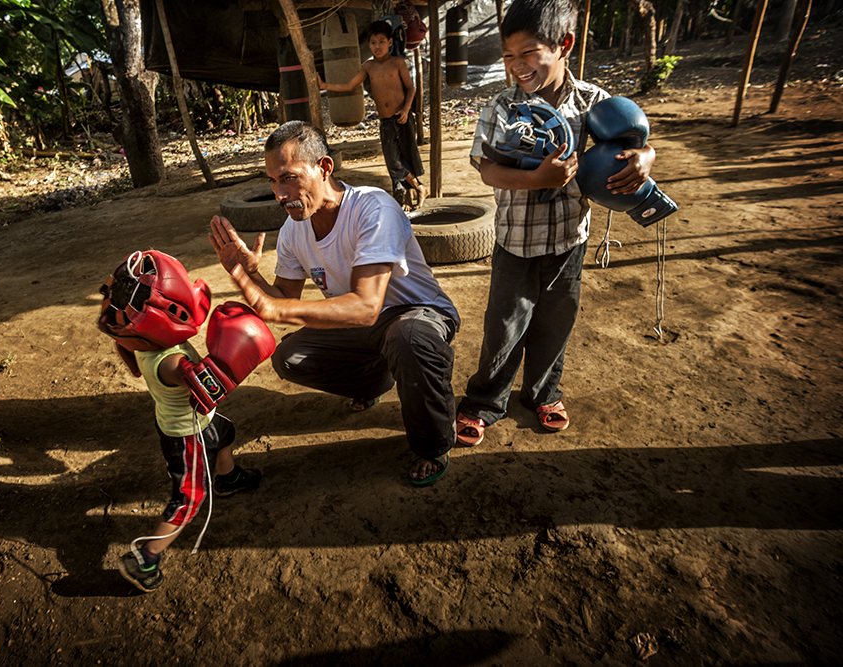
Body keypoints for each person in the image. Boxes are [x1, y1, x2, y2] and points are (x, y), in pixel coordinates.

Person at [208, 121, 459, 486]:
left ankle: (433, 443)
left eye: (289, 178)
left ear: (324, 168)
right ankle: (374, 380)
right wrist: (247, 275)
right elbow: (283, 298)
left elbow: (366, 306)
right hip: (363, 325)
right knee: (289, 357)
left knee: (409, 340)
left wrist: (275, 309)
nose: (280, 193)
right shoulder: (295, 229)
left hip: (417, 315)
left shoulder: (374, 208)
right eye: (273, 181)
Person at [455, 0, 657, 445]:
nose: (516, 66)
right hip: (515, 244)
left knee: (554, 324)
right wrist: (536, 178)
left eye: (527, 53)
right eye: (508, 56)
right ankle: (485, 400)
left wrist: (645, 157)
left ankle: (543, 392)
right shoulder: (502, 107)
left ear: (563, 45)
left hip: (570, 240)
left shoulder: (594, 104)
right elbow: (486, 169)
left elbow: (637, 140)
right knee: (504, 326)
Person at [96, 250, 262, 592]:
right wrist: (240, 344)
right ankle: (147, 556)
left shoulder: (138, 341)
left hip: (193, 424)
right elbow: (211, 388)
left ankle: (228, 478)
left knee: (226, 432)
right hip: (186, 437)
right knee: (189, 497)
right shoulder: (169, 363)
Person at [318, 20, 428, 207]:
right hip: (385, 121)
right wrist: (324, 86)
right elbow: (349, 85)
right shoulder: (368, 67)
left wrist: (406, 109)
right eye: (373, 43)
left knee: (407, 156)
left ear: (390, 42)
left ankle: (409, 196)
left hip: (402, 118)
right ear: (369, 45)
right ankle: (419, 186)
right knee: (392, 161)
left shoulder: (398, 63)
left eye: (381, 42)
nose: (377, 46)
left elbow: (411, 88)